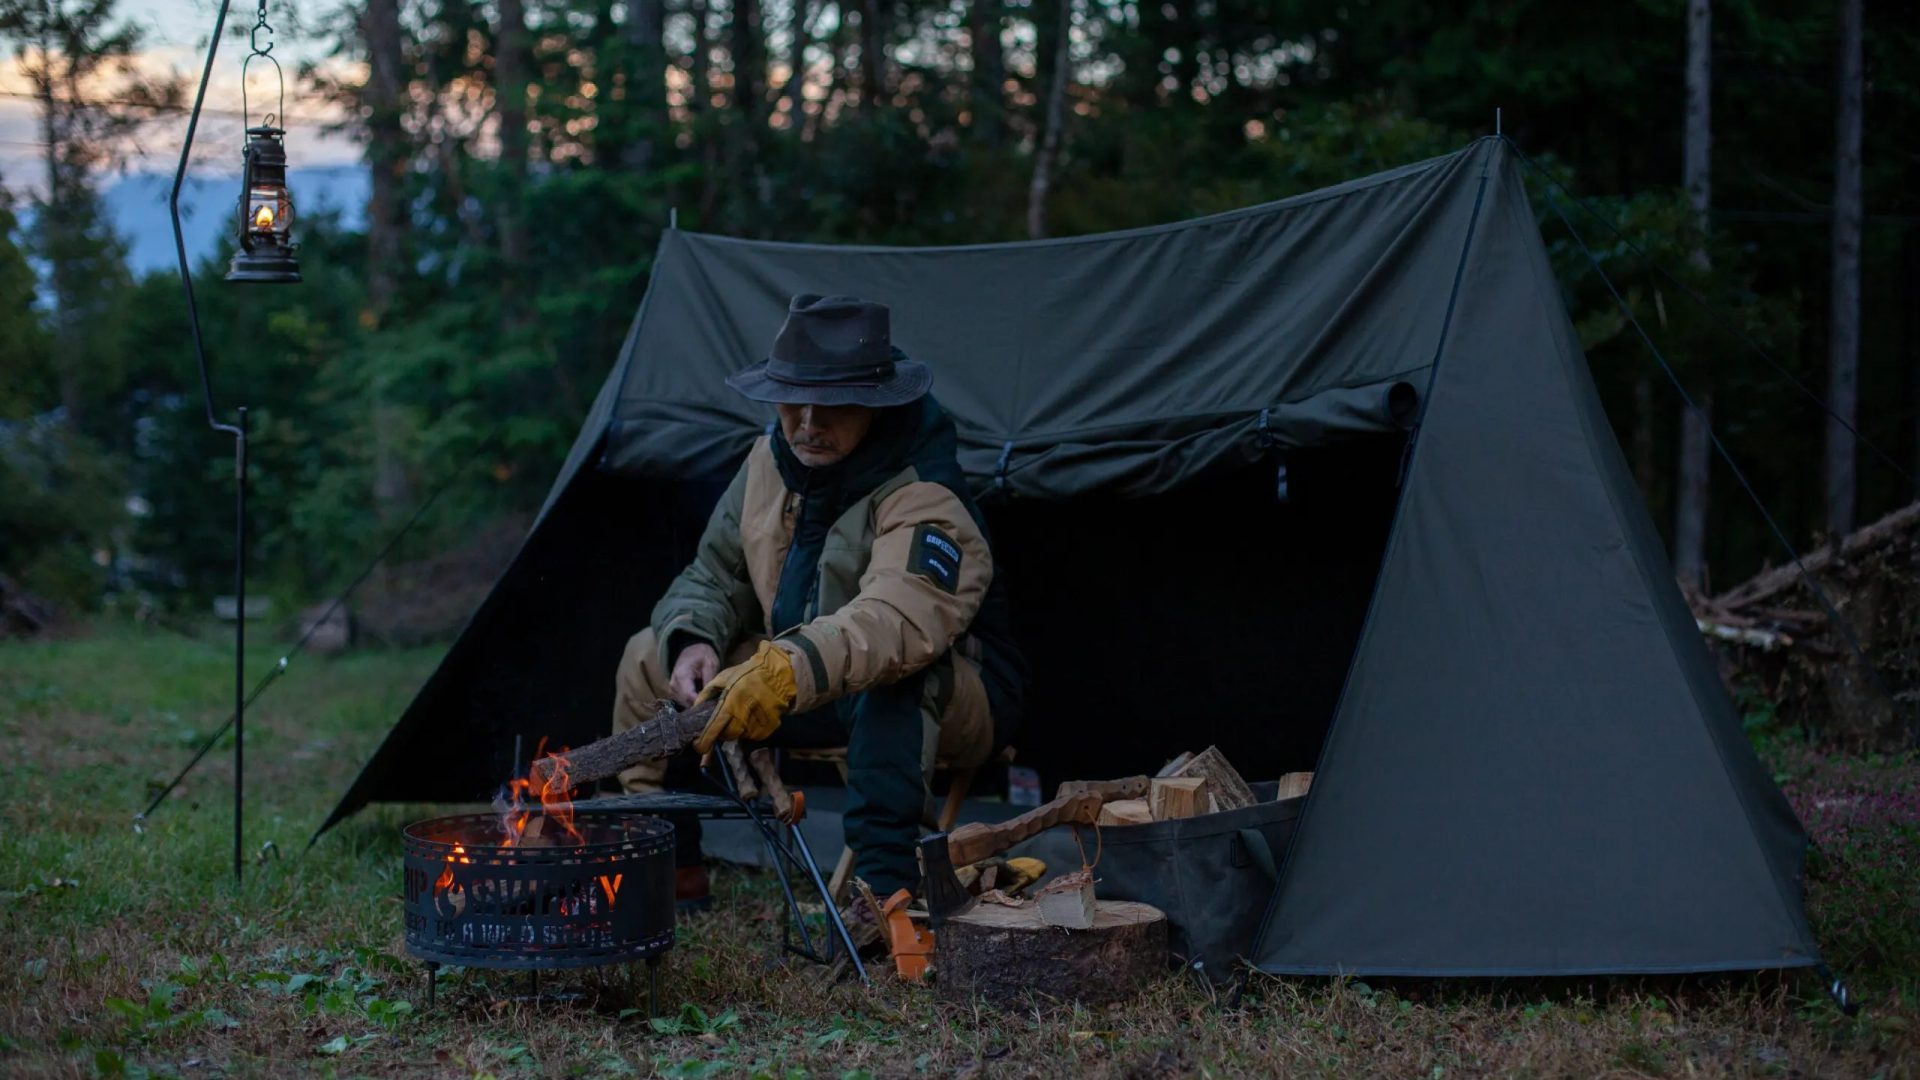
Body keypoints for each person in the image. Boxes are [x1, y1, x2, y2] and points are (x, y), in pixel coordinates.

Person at [613, 294, 1025, 901]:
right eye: (792, 399)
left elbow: (898, 621)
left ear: (877, 405)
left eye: (832, 405)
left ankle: (888, 892)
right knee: (648, 652)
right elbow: (713, 573)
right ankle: (667, 862)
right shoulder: (768, 462)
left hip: (954, 696)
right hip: (801, 680)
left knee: (899, 679)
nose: (807, 422)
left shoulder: (926, 490)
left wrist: (783, 669)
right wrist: (694, 640)